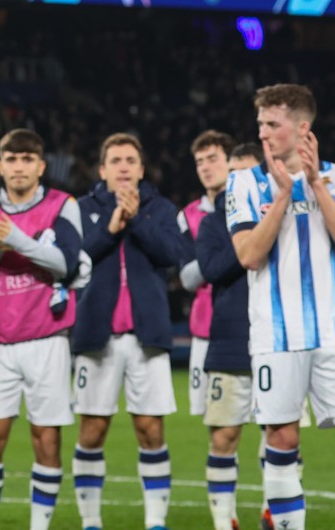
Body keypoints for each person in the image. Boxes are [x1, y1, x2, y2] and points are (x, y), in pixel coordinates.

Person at [227, 83, 335, 530]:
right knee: (281, 440)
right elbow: (249, 255)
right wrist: (281, 197)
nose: (262, 134)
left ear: (302, 129)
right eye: (260, 124)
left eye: (272, 125)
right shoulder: (242, 182)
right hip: (276, 340)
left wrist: (314, 184)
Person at [72, 133, 192, 530]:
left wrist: (136, 219)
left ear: (141, 170)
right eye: (116, 160)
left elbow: (172, 255)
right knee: (92, 430)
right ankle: (91, 522)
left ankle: (155, 522)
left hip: (147, 337)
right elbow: (74, 259)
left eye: (130, 160)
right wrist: (110, 226)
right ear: (102, 169)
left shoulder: (159, 208)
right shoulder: (83, 209)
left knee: (150, 428)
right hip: (96, 337)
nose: (123, 167)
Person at [0, 128, 83, 530]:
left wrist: (15, 239)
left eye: (27, 159)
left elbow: (67, 263)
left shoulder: (61, 205)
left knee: (46, 438)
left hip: (48, 340)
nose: (19, 167)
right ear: (0, 166)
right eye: (11, 159)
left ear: (41, 166)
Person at [195, 143, 263, 530]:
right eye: (233, 173)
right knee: (223, 437)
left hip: (279, 339)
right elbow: (212, 269)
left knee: (282, 436)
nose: (238, 180)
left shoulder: (282, 211)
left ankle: (275, 512)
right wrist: (254, 245)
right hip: (229, 341)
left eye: (248, 172)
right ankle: (225, 522)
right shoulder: (212, 222)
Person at [179, 131, 235, 423]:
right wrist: (234, 249)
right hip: (205, 330)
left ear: (231, 162)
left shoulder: (253, 204)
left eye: (213, 159)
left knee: (274, 424)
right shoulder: (188, 215)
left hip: (254, 325)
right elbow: (187, 278)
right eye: (199, 161)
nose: (205, 167)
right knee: (217, 426)